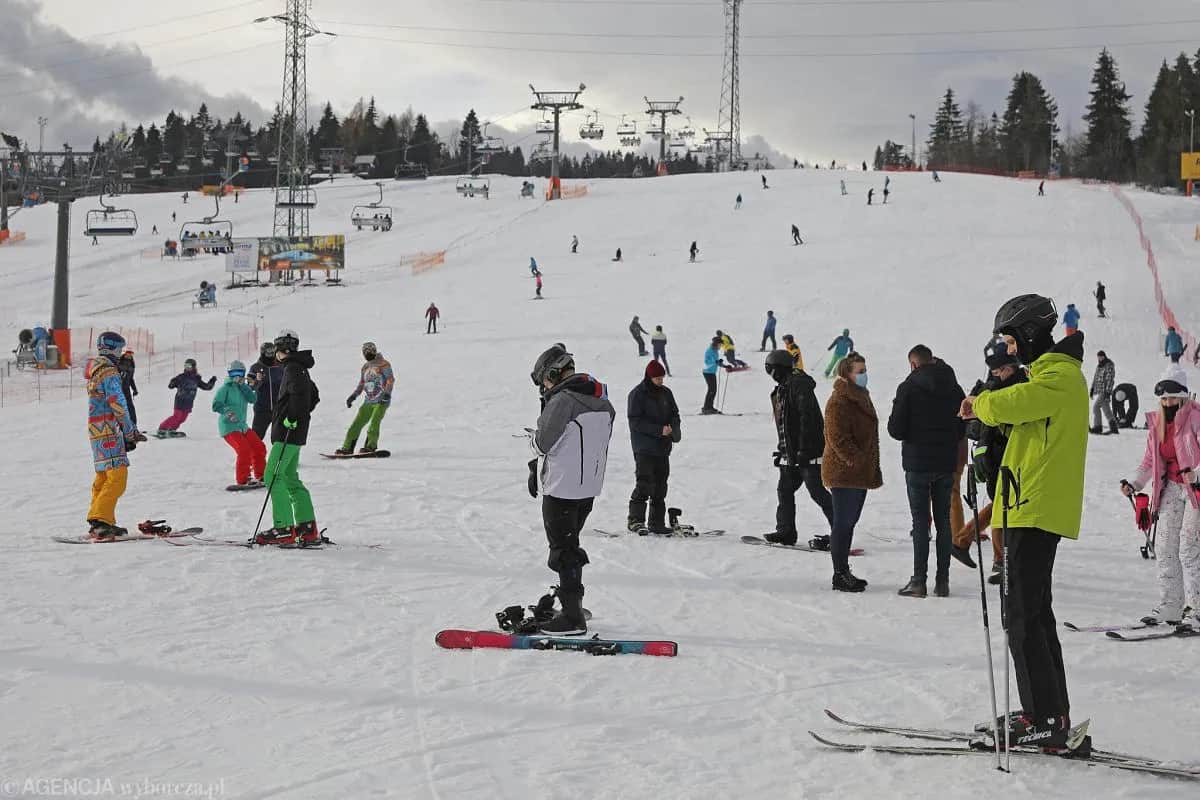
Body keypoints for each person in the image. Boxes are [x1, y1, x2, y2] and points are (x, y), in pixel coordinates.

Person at [960, 293, 1086, 750]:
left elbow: (1016, 403)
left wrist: (980, 405)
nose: (1009, 351)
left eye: (1011, 342)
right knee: (1034, 616)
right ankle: (1050, 712)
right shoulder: (1051, 376)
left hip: (1033, 510)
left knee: (1021, 619)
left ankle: (1044, 717)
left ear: (1030, 334)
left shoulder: (1058, 377)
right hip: (1026, 506)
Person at [528, 345, 616, 634]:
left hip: (561, 487)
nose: (544, 388)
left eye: (544, 381)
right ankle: (572, 602)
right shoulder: (602, 401)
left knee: (562, 550)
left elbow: (543, 443)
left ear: (552, 373)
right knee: (570, 545)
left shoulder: (562, 401)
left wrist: (533, 448)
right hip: (588, 486)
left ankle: (571, 616)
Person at [887, 345, 966, 598]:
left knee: (921, 522)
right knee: (943, 521)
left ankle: (918, 581)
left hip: (918, 464)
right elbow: (963, 425)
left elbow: (895, 430)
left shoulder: (908, 387)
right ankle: (942, 581)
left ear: (913, 364)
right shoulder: (953, 387)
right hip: (945, 463)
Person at [1120, 378, 1200, 627]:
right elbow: (1149, 462)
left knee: (1188, 547)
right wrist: (1134, 484)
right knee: (1164, 547)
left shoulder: (1195, 418)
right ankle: (1171, 605)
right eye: (1164, 399)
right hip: (1171, 490)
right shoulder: (1157, 424)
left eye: (1172, 398)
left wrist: (1196, 472)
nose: (1168, 403)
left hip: (1196, 491)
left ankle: (1195, 608)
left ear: (1183, 397)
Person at [957, 337, 1028, 584]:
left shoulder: (1017, 385)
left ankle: (967, 541)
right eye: (995, 370)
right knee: (1001, 509)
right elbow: (983, 423)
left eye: (1000, 370)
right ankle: (1000, 560)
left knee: (1001, 508)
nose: (997, 374)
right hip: (995, 456)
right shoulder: (994, 386)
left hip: (1005, 455)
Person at [255, 329, 322, 547]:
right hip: (294, 433)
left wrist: (292, 418)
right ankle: (306, 527)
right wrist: (299, 417)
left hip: (287, 433)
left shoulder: (293, 368)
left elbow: (302, 397)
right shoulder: (299, 367)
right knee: (289, 477)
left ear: (281, 349)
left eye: (276, 349)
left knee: (272, 475)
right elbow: (314, 395)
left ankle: (283, 528)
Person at [822, 352, 880, 592]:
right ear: (847, 374)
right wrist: (856, 461)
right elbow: (837, 438)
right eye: (860, 371)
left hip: (858, 472)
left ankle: (844, 570)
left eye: (865, 370)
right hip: (844, 472)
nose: (864, 375)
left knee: (849, 522)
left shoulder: (860, 396)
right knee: (843, 524)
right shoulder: (839, 401)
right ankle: (839, 573)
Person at [765, 350, 834, 547]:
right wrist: (784, 450)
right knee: (784, 490)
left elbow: (808, 420)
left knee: (817, 491)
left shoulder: (799, 386)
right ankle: (786, 531)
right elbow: (786, 424)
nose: (770, 374)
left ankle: (840, 532)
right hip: (793, 454)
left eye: (770, 370)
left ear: (779, 369)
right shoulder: (784, 388)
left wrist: (805, 450)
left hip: (808, 453)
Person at [85, 332, 145, 539]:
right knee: (118, 476)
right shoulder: (109, 372)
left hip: (96, 430)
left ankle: (98, 519)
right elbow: (118, 404)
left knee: (104, 475)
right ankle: (102, 520)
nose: (120, 354)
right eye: (119, 349)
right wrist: (130, 432)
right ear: (111, 349)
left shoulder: (95, 370)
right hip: (109, 430)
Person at [627, 360, 681, 535]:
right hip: (644, 448)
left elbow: (674, 414)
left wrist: (674, 430)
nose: (660, 381)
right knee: (644, 484)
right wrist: (659, 430)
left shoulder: (666, 393)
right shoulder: (637, 395)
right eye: (657, 378)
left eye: (662, 378)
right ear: (649, 377)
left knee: (660, 486)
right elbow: (635, 422)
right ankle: (635, 520)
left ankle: (656, 522)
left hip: (662, 448)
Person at [212, 360, 265, 487]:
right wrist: (227, 412)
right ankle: (243, 478)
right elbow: (216, 405)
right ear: (229, 374)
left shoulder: (243, 388)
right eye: (233, 373)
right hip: (228, 427)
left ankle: (261, 475)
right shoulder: (225, 389)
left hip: (242, 426)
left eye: (240, 373)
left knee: (259, 447)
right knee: (244, 450)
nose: (237, 376)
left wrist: (244, 386)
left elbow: (253, 399)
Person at [337, 342, 394, 455]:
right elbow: (362, 384)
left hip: (381, 400)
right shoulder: (365, 367)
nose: (367, 353)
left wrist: (387, 393)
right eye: (365, 352)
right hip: (368, 401)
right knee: (357, 423)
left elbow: (390, 379)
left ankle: (370, 446)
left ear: (374, 351)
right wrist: (353, 396)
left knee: (374, 422)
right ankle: (347, 447)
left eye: (370, 351)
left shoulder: (384, 364)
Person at [157, 358, 216, 436]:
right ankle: (162, 428)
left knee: (182, 419)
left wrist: (212, 381)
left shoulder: (196, 379)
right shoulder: (181, 377)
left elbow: (207, 387)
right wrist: (173, 382)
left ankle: (171, 430)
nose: (187, 368)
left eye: (189, 366)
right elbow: (170, 386)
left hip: (188, 402)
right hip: (180, 400)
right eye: (186, 366)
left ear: (194, 367)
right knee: (177, 416)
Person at [247, 342, 283, 441]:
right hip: (262, 410)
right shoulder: (255, 368)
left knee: (279, 439)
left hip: (279, 409)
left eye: (273, 352)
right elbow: (250, 388)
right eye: (268, 353)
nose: (271, 355)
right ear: (263, 353)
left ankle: (277, 456)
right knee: (256, 438)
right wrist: (258, 380)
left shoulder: (280, 366)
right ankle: (252, 456)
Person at [1089, 350, 1117, 435]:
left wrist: (1108, 392)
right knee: (1106, 409)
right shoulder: (1099, 366)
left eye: (1101, 357)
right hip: (1100, 390)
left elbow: (1110, 379)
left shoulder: (1108, 365)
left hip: (1105, 391)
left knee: (1096, 407)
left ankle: (1098, 427)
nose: (1100, 358)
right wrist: (1092, 389)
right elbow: (1095, 378)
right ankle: (1114, 428)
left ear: (1104, 356)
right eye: (1099, 357)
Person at [117, 349, 138, 427]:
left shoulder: (132, 365)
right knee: (119, 406)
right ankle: (119, 426)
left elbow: (131, 379)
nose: (129, 355)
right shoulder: (119, 362)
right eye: (127, 353)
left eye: (130, 354)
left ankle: (133, 425)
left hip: (126, 388)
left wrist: (134, 389)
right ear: (125, 354)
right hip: (118, 388)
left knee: (130, 407)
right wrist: (120, 376)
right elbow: (114, 373)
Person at [702, 337, 723, 414]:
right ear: (716, 344)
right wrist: (716, 361)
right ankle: (706, 408)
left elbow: (716, 362)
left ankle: (709, 407)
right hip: (707, 372)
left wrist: (725, 366)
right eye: (720, 345)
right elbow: (708, 362)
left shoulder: (715, 351)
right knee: (711, 390)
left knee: (713, 390)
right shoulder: (709, 351)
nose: (720, 347)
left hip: (712, 372)